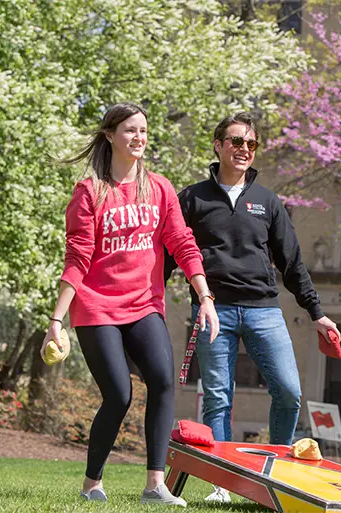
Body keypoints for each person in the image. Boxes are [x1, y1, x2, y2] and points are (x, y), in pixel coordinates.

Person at [41, 102, 219, 507]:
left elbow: (183, 243)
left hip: (143, 304)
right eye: (129, 130)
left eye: (143, 130)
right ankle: (91, 483)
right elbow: (78, 258)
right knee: (118, 395)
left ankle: (155, 485)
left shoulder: (159, 188)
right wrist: (57, 319)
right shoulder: (90, 192)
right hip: (96, 307)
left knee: (161, 380)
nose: (138, 137)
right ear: (110, 136)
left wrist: (205, 295)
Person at [164, 112, 340, 503]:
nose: (244, 149)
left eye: (251, 144)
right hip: (213, 311)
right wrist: (147, 301)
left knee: (289, 391)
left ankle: (277, 478)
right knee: (218, 397)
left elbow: (291, 261)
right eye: (236, 141)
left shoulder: (267, 201)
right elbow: (168, 253)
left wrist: (317, 312)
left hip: (264, 310)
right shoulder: (192, 198)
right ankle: (221, 486)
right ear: (218, 146)